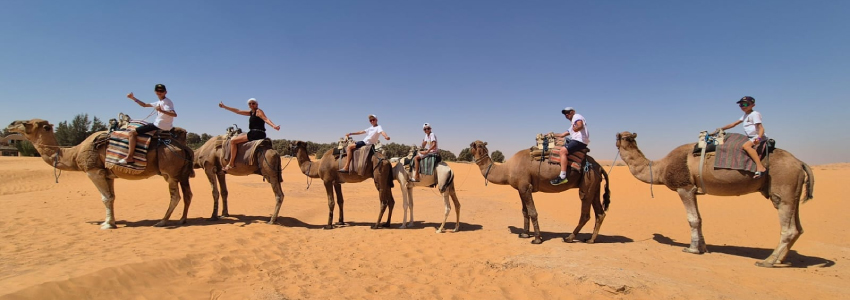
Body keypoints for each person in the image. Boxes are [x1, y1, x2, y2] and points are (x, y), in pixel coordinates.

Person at [119, 84, 177, 165]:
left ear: (165, 92)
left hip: (158, 125)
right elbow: (144, 105)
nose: (159, 92)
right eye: (158, 91)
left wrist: (161, 110)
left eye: (161, 91)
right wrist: (133, 98)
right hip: (164, 125)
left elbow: (174, 114)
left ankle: (129, 157)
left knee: (132, 133)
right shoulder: (159, 102)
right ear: (155, 92)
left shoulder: (166, 102)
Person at [218, 98, 281, 171]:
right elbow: (238, 111)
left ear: (257, 104)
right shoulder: (251, 113)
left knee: (233, 141)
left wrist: (273, 125)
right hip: (256, 133)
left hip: (256, 133)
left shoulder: (258, 111)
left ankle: (231, 163)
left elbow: (265, 119)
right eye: (250, 103)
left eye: (253, 103)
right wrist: (225, 107)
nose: (251, 105)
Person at [716, 96, 768, 178]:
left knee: (746, 146)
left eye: (745, 104)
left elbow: (761, 128)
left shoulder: (755, 114)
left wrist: (759, 138)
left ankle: (760, 167)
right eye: (741, 105)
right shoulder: (745, 115)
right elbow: (733, 124)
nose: (743, 106)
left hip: (757, 136)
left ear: (753, 105)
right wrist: (720, 129)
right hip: (750, 137)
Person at [550, 107, 589, 185]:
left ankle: (562, 177)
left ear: (573, 112)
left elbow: (580, 125)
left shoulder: (576, 116)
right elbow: (562, 134)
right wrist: (551, 135)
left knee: (562, 151)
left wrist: (576, 128)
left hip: (579, 140)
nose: (566, 114)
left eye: (568, 112)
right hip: (577, 140)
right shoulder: (572, 125)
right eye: (565, 113)